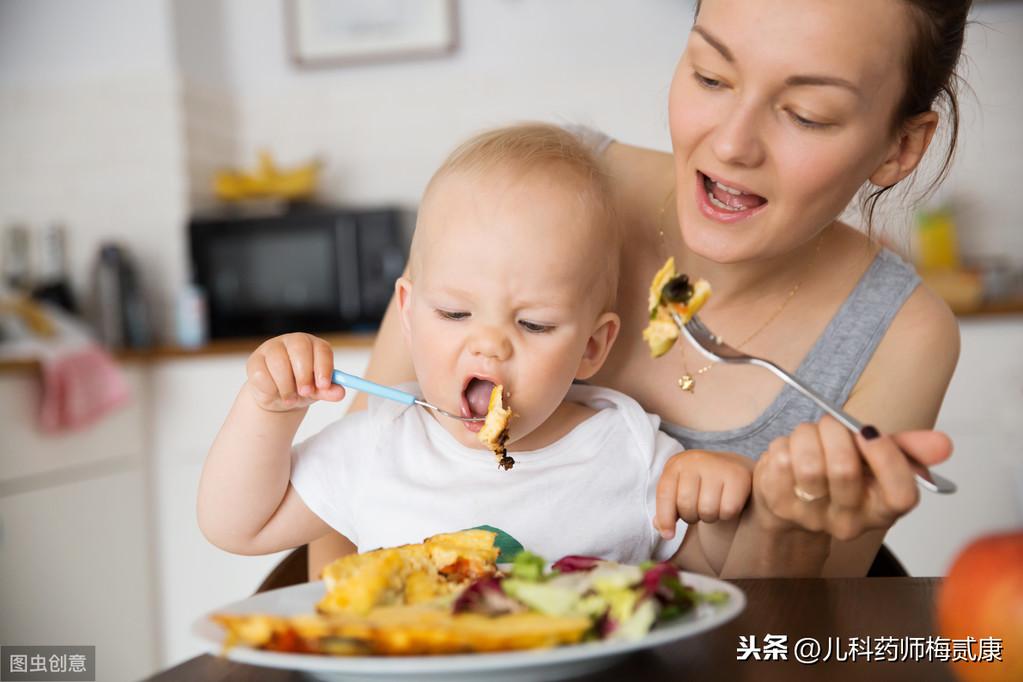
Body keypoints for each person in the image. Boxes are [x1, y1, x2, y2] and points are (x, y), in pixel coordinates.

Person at [309, 0, 970, 579]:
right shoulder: (531, 191)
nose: (732, 144)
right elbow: (344, 506)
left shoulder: (901, 334)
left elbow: (790, 635)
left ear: (899, 148)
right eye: (710, 76)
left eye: (806, 114)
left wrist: (783, 529)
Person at [197, 123, 753, 568]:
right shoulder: (380, 444)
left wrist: (716, 511)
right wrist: (269, 409)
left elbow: (708, 582)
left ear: (592, 346)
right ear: (409, 315)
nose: (489, 346)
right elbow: (237, 526)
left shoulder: (628, 450)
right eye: (455, 313)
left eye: (533, 324)